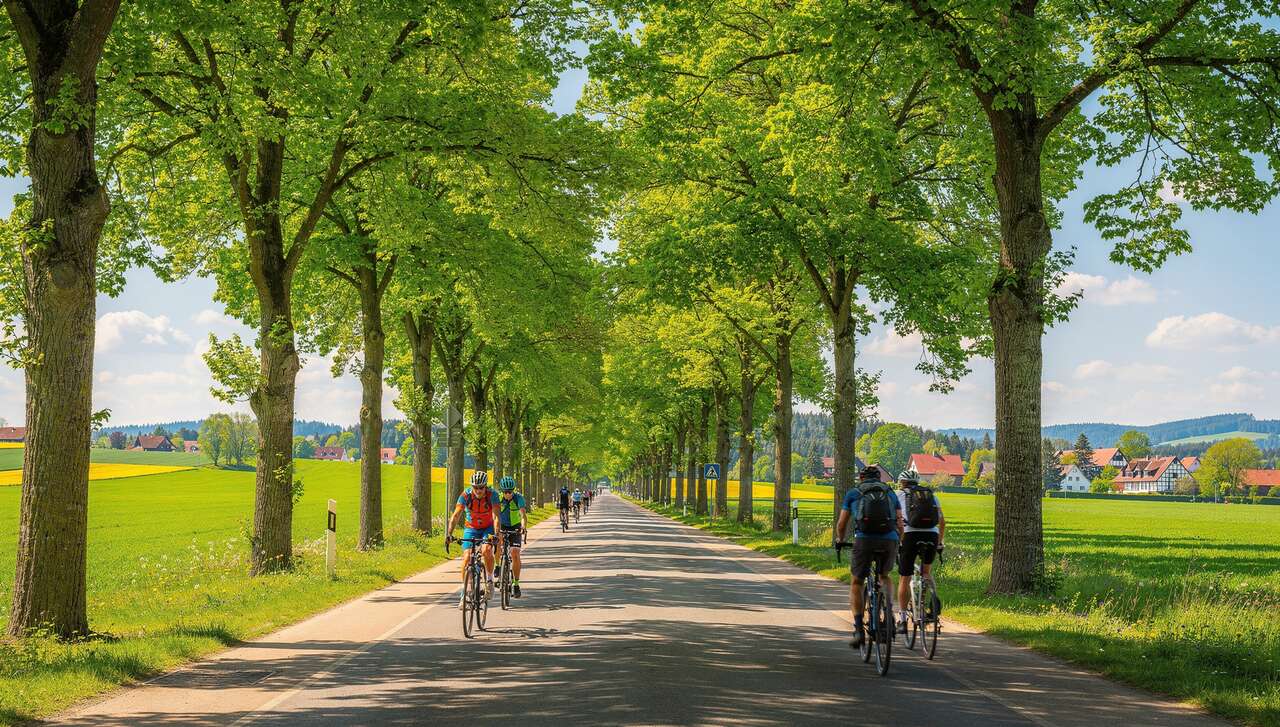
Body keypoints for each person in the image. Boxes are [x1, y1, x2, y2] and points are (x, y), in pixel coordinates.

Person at [834, 466, 904, 648]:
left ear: (862, 477)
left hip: (864, 540)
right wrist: (899, 541)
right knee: (885, 576)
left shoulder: (854, 493)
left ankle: (858, 630)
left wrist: (840, 540)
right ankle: (888, 611)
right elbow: (899, 521)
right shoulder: (890, 493)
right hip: (889, 540)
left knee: (857, 582)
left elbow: (842, 523)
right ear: (880, 478)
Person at [895, 472, 945, 633]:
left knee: (905, 577)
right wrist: (940, 542)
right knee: (926, 572)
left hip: (910, 535)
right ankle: (930, 599)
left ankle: (902, 620)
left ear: (902, 483)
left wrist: (898, 541)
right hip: (931, 534)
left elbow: (896, 520)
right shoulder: (930, 495)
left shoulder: (899, 495)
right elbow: (942, 521)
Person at [446, 471, 500, 608]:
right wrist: (448, 533)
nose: (478, 490)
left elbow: (496, 516)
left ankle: (489, 581)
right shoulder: (465, 495)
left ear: (485, 486)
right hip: (471, 528)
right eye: (476, 487)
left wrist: (496, 534)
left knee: (487, 550)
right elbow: (456, 514)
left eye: (481, 487)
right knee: (467, 558)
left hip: (487, 528)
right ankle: (465, 594)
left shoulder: (492, 495)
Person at [495, 476, 528, 598]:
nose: (507, 494)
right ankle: (498, 566)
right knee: (497, 543)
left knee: (515, 553)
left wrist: (523, 527)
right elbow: (494, 515)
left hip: (515, 527)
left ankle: (516, 584)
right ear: (502, 491)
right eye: (505, 492)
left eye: (510, 492)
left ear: (513, 490)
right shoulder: (498, 498)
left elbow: (523, 515)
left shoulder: (518, 498)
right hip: (502, 526)